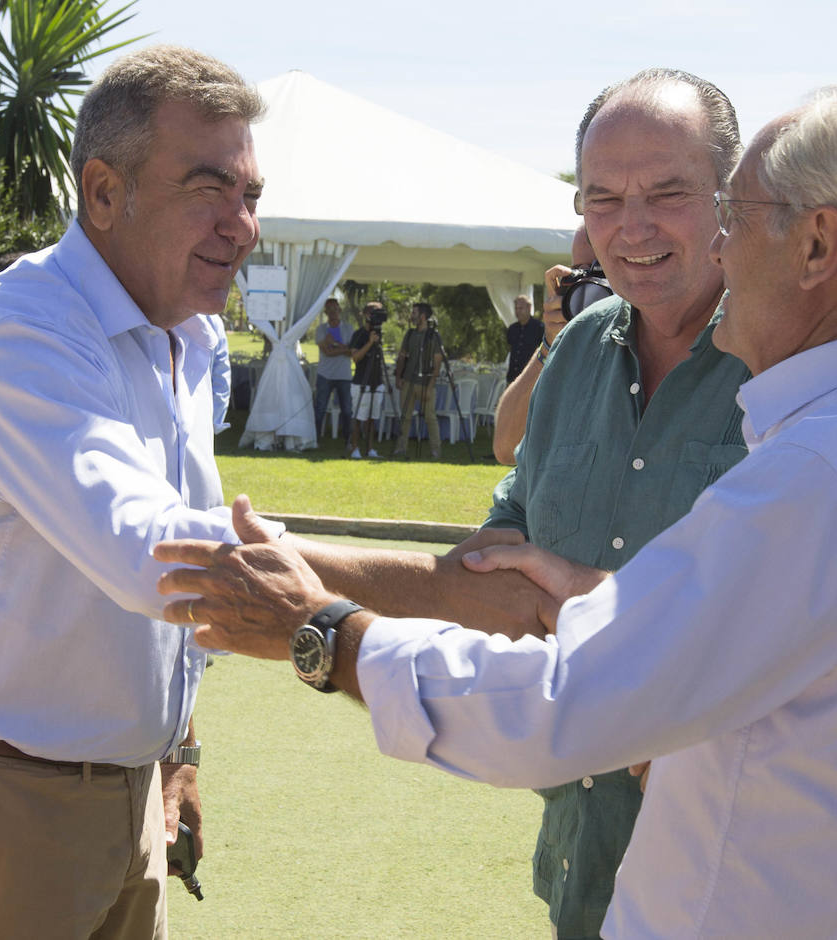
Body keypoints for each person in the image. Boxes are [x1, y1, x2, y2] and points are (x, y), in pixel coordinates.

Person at [154, 77, 837, 939]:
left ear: (816, 247)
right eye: (602, 197)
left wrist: (321, 635)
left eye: (732, 209)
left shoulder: (828, 471)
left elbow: (564, 706)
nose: (719, 245)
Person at [267, 68, 751, 938]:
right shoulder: (577, 354)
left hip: (727, 872)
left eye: (667, 193)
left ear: (734, 195)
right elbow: (512, 523)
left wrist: (321, 623)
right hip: (581, 845)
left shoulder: (785, 370)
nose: (631, 228)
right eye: (602, 199)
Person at [0, 44, 266, 937]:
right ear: (102, 191)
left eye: (250, 196)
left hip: (122, 795)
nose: (242, 226)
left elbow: (174, 550)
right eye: (210, 189)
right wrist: (431, 589)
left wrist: (179, 750)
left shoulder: (188, 338)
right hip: (1, 795)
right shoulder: (22, 333)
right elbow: (156, 554)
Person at [492, 225, 593, 465]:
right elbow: (506, 448)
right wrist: (550, 343)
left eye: (604, 272)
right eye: (582, 273)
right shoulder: (560, 339)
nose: (595, 286)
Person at [392, 302, 444, 458]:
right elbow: (402, 356)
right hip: (408, 380)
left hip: (425, 382)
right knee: (405, 417)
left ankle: (436, 450)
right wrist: (398, 376)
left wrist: (429, 387)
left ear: (422, 316)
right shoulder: (409, 334)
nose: (411, 316)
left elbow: (437, 363)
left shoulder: (433, 336)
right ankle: (401, 448)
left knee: (430, 417)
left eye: (414, 313)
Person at [347, 301, 388, 459]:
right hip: (361, 382)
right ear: (366, 315)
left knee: (372, 418)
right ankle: (355, 447)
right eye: (375, 313)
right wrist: (370, 343)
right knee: (359, 416)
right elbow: (355, 357)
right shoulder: (359, 335)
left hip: (376, 381)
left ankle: (370, 449)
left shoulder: (379, 333)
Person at [312, 297, 353, 442]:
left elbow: (352, 352)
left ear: (339, 310)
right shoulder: (321, 329)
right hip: (325, 375)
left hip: (344, 375)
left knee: (347, 410)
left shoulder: (349, 328)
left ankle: (348, 439)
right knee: (320, 409)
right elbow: (326, 353)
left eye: (335, 309)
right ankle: (315, 439)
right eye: (329, 310)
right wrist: (343, 347)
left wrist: (334, 344)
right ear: (325, 312)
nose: (332, 312)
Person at [504, 293, 544, 383]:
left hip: (531, 378)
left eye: (521, 308)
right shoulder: (512, 328)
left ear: (529, 308)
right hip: (512, 377)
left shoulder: (539, 328)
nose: (518, 311)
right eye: (516, 308)